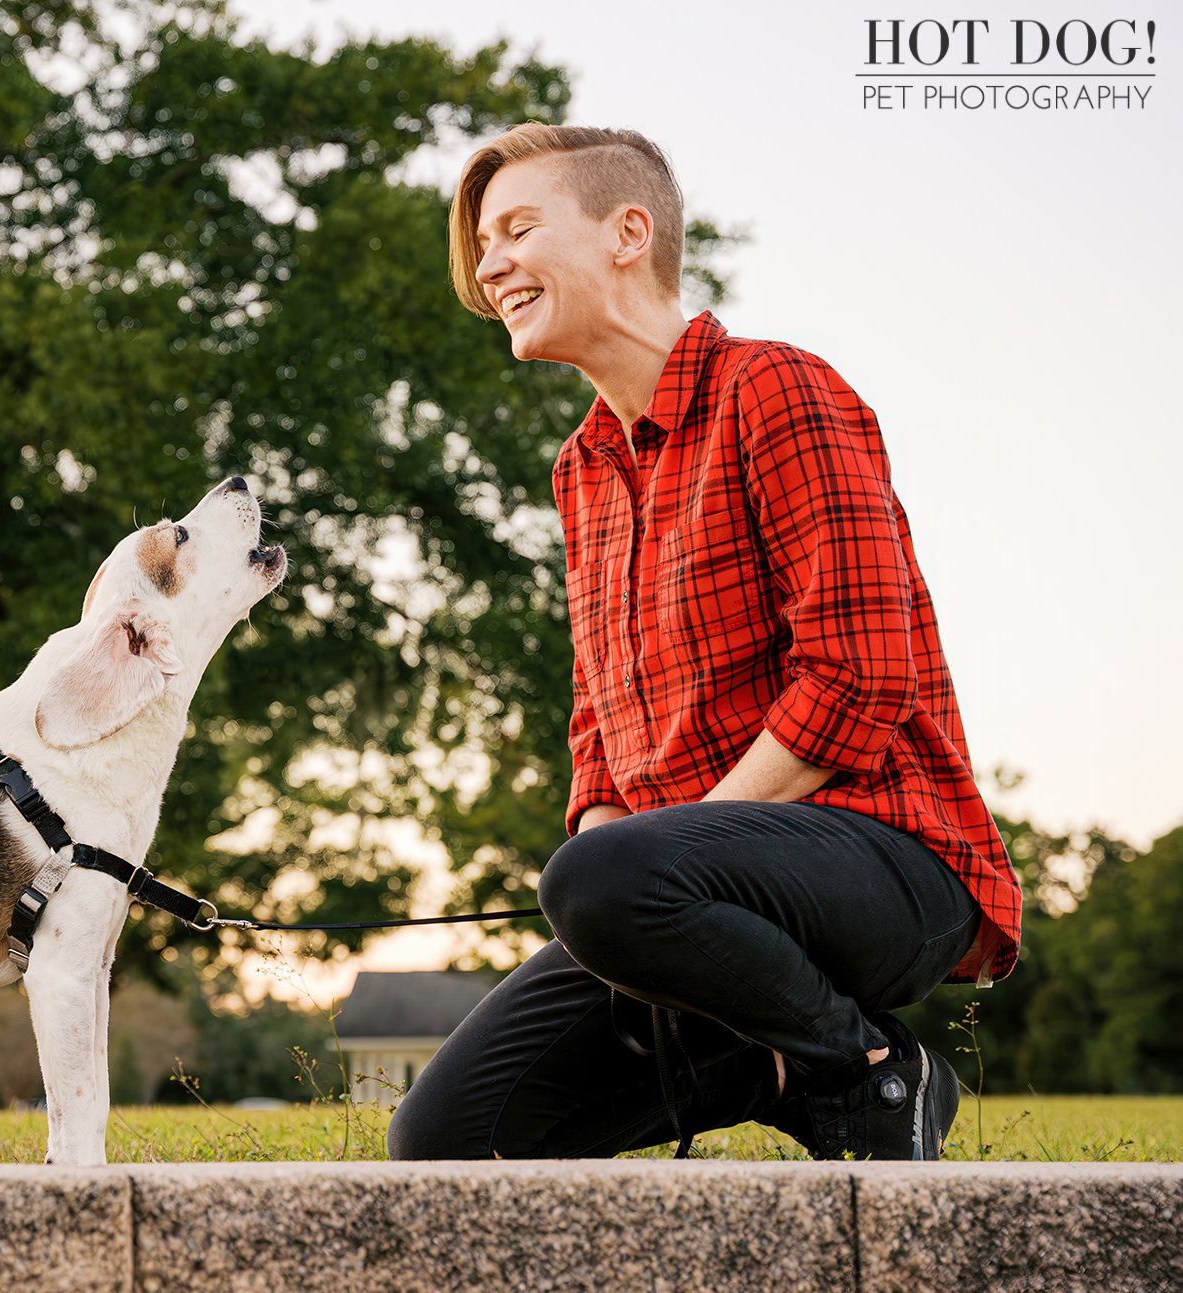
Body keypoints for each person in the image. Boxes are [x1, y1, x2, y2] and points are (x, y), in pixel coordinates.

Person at [386, 125, 1021, 1161]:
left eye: (515, 229)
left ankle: (868, 1070)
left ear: (625, 232)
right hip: (678, 892)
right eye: (481, 244)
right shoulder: (581, 467)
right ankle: (764, 1058)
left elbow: (861, 674)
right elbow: (599, 721)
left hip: (888, 865)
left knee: (604, 879)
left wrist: (659, 864)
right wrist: (626, 885)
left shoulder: (775, 389)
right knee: (445, 1141)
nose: (487, 263)